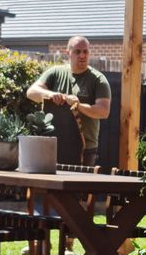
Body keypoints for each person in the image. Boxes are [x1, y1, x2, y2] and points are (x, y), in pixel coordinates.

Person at [26, 35, 111, 167]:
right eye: (78, 51)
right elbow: (31, 92)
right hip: (53, 145)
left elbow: (103, 111)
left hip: (84, 149)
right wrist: (51, 94)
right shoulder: (55, 73)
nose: (82, 55)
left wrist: (78, 105)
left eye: (85, 51)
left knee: (77, 188)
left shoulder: (98, 79)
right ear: (68, 53)